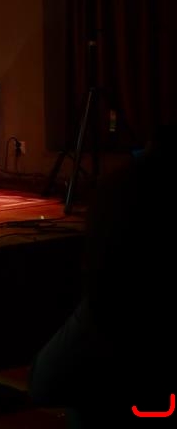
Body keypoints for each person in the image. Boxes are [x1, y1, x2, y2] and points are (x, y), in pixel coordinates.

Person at [29, 124, 176, 427]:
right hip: (115, 314)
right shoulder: (126, 189)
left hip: (110, 313)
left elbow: (44, 387)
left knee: (58, 382)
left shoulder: (122, 189)